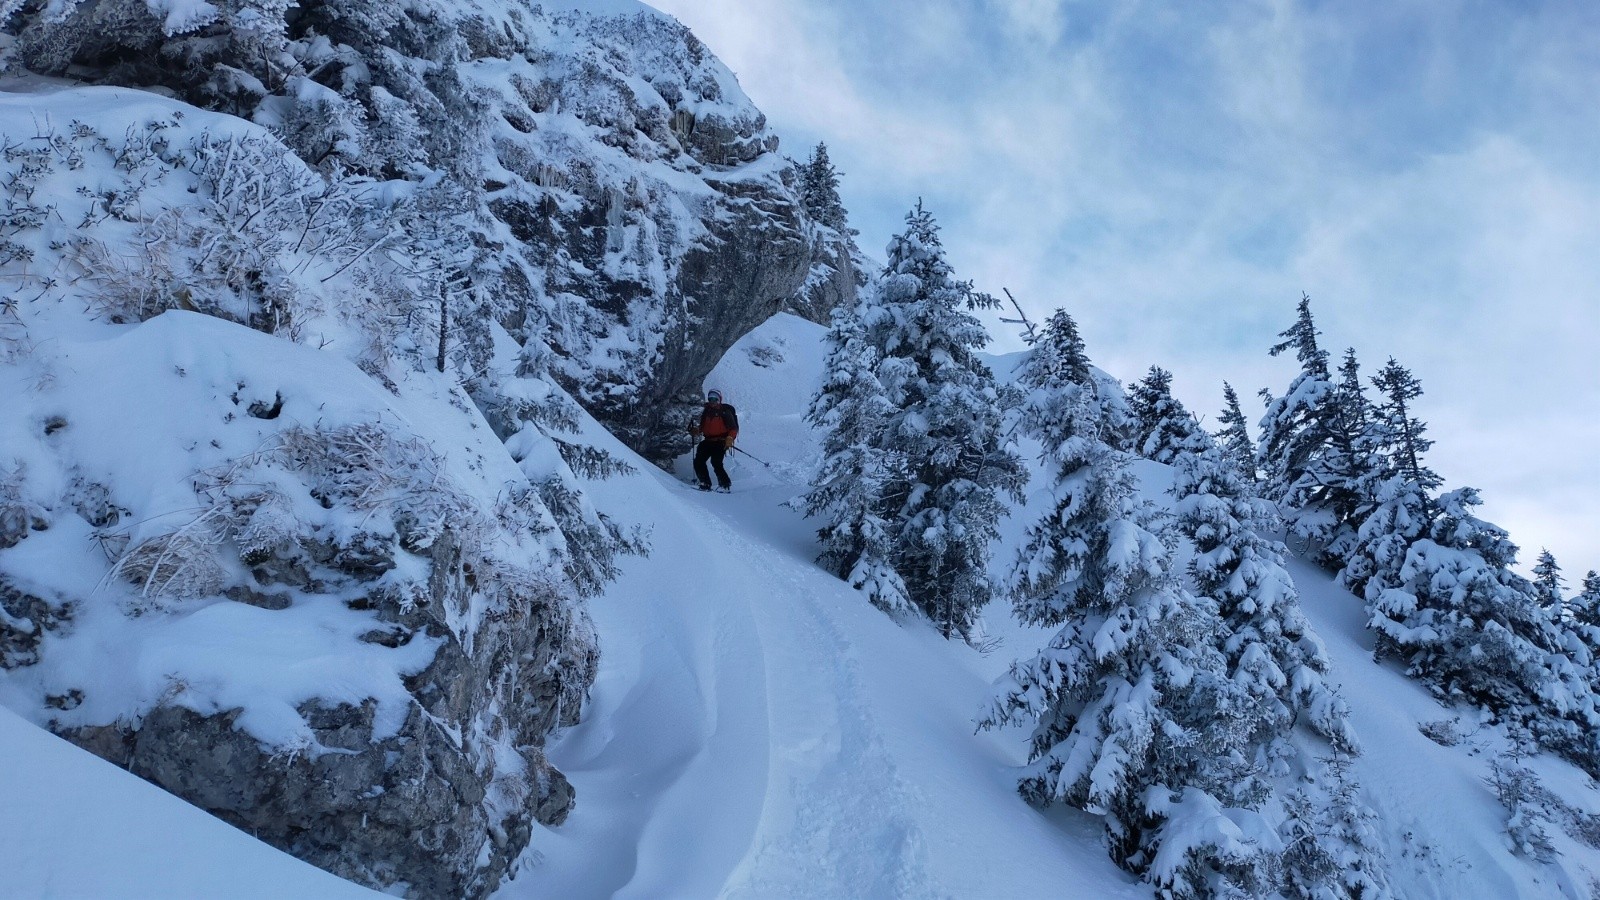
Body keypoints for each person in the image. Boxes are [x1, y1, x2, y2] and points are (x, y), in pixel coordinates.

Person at [689, 389, 739, 491]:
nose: (712, 401)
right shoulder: (706, 410)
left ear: (719, 399)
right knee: (699, 461)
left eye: (715, 399)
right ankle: (705, 483)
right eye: (710, 399)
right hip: (708, 440)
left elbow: (733, 428)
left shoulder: (725, 411)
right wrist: (696, 430)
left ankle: (725, 485)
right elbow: (703, 427)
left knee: (716, 462)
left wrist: (729, 438)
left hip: (721, 441)